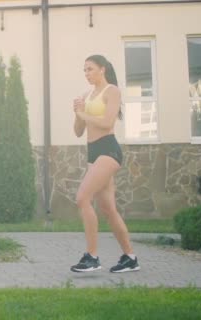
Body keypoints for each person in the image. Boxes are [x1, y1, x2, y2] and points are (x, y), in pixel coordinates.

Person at [70, 55, 140, 273]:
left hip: (109, 150)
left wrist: (83, 113)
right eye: (84, 70)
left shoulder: (112, 91)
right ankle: (130, 258)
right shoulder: (87, 95)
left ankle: (92, 257)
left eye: (90, 69)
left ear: (102, 69)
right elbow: (78, 131)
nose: (86, 73)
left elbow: (108, 122)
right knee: (108, 209)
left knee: (82, 197)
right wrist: (78, 114)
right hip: (94, 153)